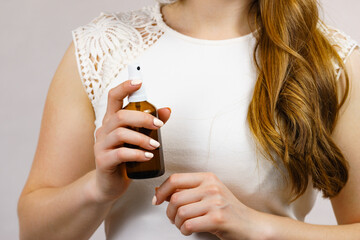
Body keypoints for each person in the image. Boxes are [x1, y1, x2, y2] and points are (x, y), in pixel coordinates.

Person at [17, 0, 360, 239]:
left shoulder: (329, 61)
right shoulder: (101, 48)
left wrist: (261, 228)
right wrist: (98, 189)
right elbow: (33, 233)